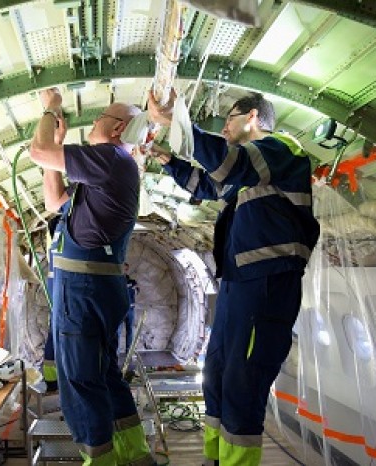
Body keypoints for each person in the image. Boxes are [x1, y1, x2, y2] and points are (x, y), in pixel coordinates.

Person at [147, 91, 320, 466]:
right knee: (217, 373)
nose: (224, 126)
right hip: (238, 284)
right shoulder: (249, 177)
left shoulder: (281, 150)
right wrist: (166, 159)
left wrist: (179, 122)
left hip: (267, 281)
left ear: (253, 117)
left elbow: (230, 165)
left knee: (244, 380)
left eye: (230, 118)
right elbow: (207, 185)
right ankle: (215, 459)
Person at [30, 87, 154, 466]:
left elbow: (36, 151)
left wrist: (51, 111)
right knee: (104, 374)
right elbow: (54, 202)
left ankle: (99, 460)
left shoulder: (112, 159)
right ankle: (134, 455)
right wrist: (58, 146)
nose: (94, 120)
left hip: (82, 290)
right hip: (97, 287)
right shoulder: (106, 169)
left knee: (80, 381)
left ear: (116, 129)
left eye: (100, 116)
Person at [42, 212, 62, 393]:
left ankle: (52, 380)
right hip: (61, 295)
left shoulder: (54, 247)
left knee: (53, 334)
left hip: (56, 293)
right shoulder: (62, 247)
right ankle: (54, 380)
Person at [119, 263, 139, 354]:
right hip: (120, 310)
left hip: (130, 309)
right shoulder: (117, 281)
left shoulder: (132, 281)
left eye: (126, 269)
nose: (124, 270)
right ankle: (116, 351)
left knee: (130, 330)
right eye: (123, 269)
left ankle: (129, 351)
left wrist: (133, 288)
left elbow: (136, 291)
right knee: (118, 331)